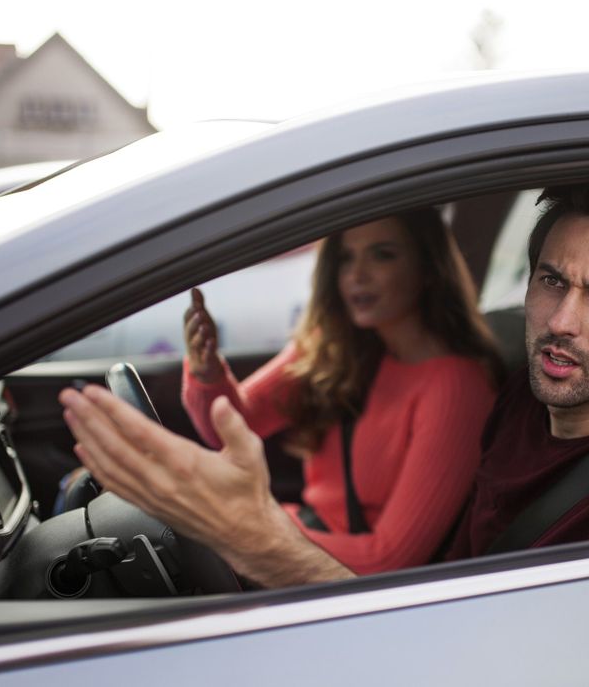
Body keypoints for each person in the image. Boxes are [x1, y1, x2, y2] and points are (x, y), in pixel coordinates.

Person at [59, 178, 589, 589]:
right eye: (550, 281)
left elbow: (521, 664)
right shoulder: (523, 397)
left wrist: (261, 540)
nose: (560, 321)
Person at [176, 210, 503, 575]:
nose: (356, 275)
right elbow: (233, 426)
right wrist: (207, 372)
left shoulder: (456, 386)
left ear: (428, 267)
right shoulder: (335, 347)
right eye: (346, 258)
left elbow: (389, 559)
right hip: (299, 542)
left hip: (340, 583)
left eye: (383, 254)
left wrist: (251, 532)